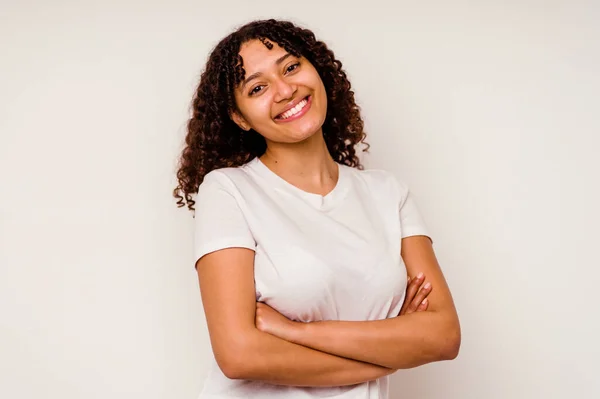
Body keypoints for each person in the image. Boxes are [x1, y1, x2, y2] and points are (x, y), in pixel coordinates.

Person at [173, 19, 460, 399]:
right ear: (239, 117)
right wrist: (393, 351)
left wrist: (296, 332)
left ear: (318, 71)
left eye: (291, 67)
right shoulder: (228, 190)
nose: (286, 90)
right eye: (258, 87)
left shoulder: (388, 194)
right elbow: (239, 354)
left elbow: (443, 335)